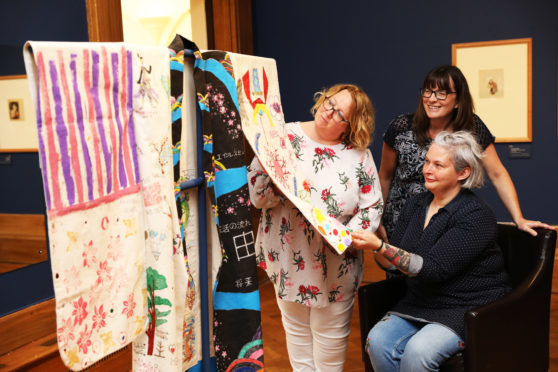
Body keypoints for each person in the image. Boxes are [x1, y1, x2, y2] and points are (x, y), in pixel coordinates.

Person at [247, 84, 383, 371]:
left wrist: (346, 237)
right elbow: (257, 199)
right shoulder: (283, 135)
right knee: (297, 337)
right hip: (288, 254)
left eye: (339, 115)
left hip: (336, 261)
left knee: (331, 341)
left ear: (350, 126)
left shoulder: (359, 153)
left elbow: (372, 206)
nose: (328, 113)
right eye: (329, 103)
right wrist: (269, 182)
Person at [352, 131, 511, 371]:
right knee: (377, 342)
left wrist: (381, 246)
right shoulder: (417, 203)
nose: (427, 169)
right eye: (427, 161)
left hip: (468, 305)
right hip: (422, 300)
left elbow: (433, 270)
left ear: (463, 172)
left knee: (419, 351)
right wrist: (374, 246)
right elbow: (397, 262)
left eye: (438, 165)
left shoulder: (476, 215)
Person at [378, 65, 552, 241]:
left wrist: (518, 218)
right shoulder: (401, 127)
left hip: (446, 221)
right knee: (399, 267)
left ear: (458, 101)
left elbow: (497, 174)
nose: (432, 99)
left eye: (442, 93)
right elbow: (384, 177)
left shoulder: (472, 127)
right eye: (428, 92)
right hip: (401, 221)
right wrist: (377, 220)